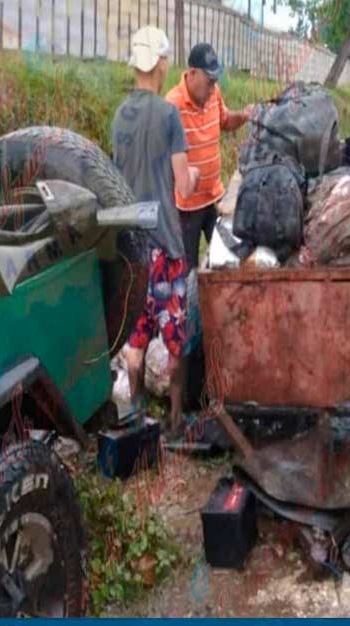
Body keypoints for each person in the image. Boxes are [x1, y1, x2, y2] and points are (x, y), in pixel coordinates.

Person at [111, 26, 200, 431]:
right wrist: (194, 175)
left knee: (134, 341)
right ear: (161, 63)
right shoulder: (168, 114)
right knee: (176, 340)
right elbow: (183, 184)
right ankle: (177, 422)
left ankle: (139, 419)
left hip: (131, 247)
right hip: (165, 244)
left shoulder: (118, 116)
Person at [165, 43, 253, 271]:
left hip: (215, 198)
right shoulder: (172, 106)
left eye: (216, 82)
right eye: (209, 81)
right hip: (187, 208)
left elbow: (225, 121)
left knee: (228, 258)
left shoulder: (214, 95)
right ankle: (193, 306)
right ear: (192, 73)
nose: (213, 88)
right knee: (189, 270)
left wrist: (243, 116)